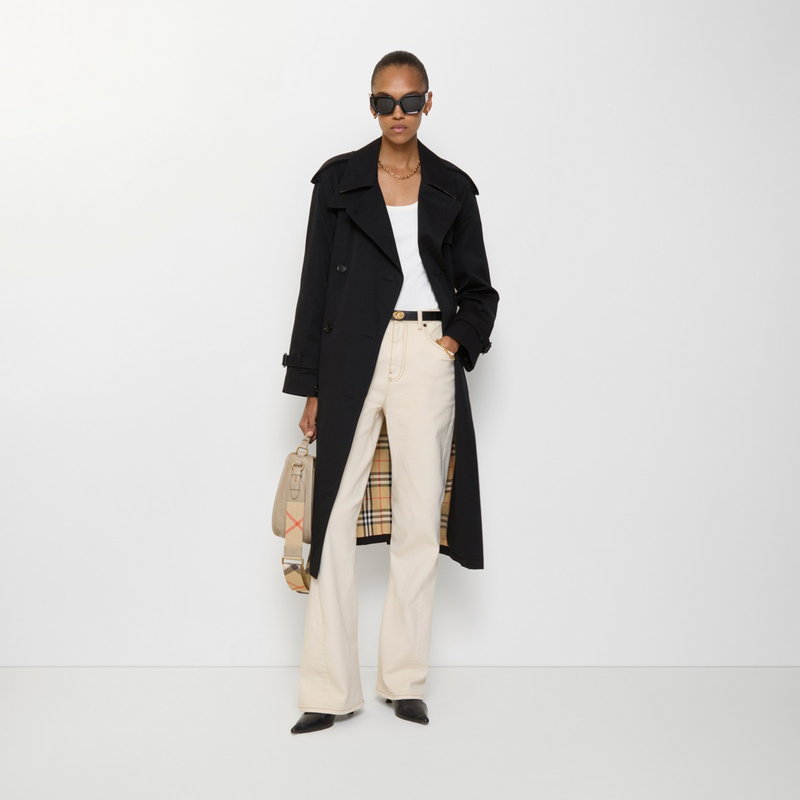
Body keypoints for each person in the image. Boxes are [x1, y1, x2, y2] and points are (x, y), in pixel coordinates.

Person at [281, 50, 499, 734]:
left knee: (417, 519)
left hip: (426, 350)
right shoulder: (338, 181)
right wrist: (310, 385)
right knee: (332, 519)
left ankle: (404, 681)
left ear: (427, 103)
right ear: (370, 105)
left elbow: (480, 290)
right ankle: (328, 691)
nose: (396, 113)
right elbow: (315, 284)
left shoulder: (453, 187)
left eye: (409, 101)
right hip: (352, 351)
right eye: (384, 101)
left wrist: (453, 343)